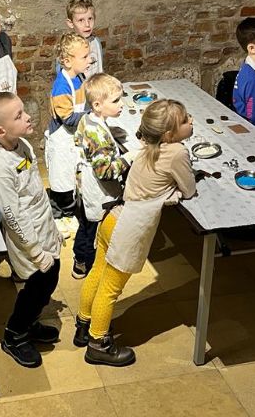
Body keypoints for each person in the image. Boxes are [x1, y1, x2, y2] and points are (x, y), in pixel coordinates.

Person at [76, 99, 196, 367]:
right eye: (186, 120)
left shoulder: (145, 145)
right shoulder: (177, 152)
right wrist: (175, 192)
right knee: (110, 288)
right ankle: (98, 344)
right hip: (128, 228)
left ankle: (83, 324)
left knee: (97, 273)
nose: (191, 121)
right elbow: (188, 189)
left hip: (112, 218)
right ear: (169, 134)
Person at [0, 93, 62, 368]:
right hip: (28, 241)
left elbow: (34, 189)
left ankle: (30, 322)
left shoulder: (22, 144)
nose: (27, 117)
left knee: (49, 281)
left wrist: (53, 229)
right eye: (19, 116)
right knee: (36, 288)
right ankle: (14, 334)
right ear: (0, 131)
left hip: (43, 228)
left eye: (23, 111)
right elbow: (13, 214)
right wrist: (36, 252)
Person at [72, 73, 133, 279]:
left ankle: (81, 257)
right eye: (115, 101)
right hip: (95, 190)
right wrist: (128, 157)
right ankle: (83, 263)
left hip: (82, 184)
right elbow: (105, 172)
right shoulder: (98, 136)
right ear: (97, 105)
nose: (121, 104)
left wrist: (110, 132)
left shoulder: (87, 118)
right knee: (90, 229)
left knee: (85, 223)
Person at [44, 32, 91, 238]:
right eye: (84, 57)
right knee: (60, 180)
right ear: (68, 61)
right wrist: (93, 114)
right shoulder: (61, 87)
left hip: (73, 139)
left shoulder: (79, 77)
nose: (89, 60)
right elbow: (69, 118)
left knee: (71, 177)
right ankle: (57, 215)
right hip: (61, 140)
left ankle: (69, 212)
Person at [55, 0, 103, 78]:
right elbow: (63, 76)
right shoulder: (68, 48)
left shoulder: (96, 42)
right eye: (81, 20)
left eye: (90, 19)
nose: (87, 24)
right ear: (71, 23)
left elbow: (100, 68)